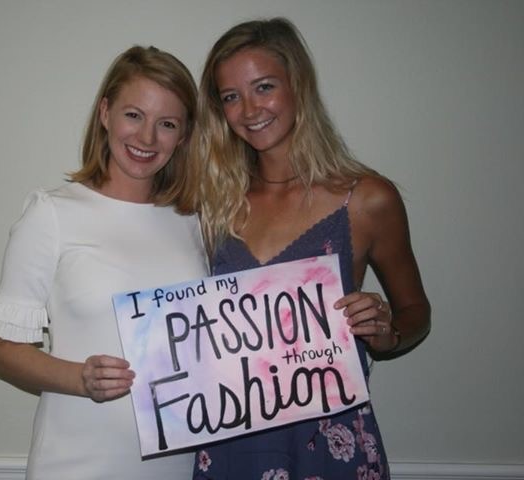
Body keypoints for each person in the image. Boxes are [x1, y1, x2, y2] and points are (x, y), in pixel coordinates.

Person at [185, 18, 431, 479]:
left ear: (298, 84)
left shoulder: (366, 200)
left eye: (264, 87)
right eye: (231, 96)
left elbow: (416, 311)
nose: (249, 110)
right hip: (231, 445)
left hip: (330, 445)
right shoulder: (213, 203)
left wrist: (388, 332)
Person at [0, 45, 208, 479]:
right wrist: (81, 378)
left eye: (167, 124)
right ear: (105, 113)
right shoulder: (51, 213)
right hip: (77, 463)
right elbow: (2, 351)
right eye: (133, 115)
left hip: (176, 465)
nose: (147, 138)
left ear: (183, 136)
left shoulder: (194, 222)